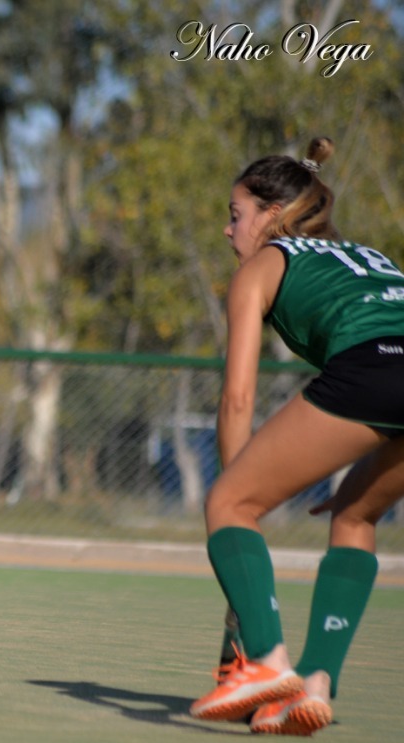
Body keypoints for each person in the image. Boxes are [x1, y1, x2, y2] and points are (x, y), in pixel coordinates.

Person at [189, 137, 402, 736]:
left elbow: (237, 400)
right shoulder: (370, 255)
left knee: (228, 501)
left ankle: (266, 664)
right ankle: (313, 684)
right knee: (356, 516)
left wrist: (236, 504)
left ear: (272, 216)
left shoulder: (263, 266)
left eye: (236, 216)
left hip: (373, 367)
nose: (229, 232)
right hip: (392, 373)